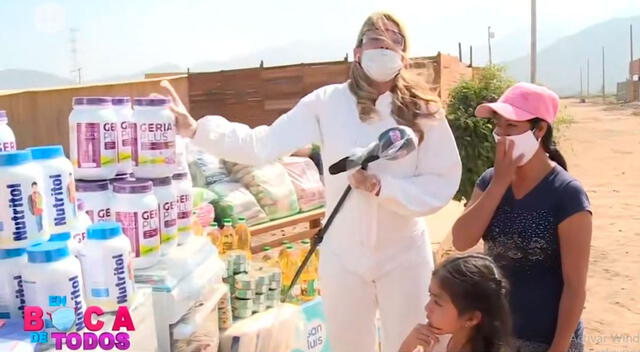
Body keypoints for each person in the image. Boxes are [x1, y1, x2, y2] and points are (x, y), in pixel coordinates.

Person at [161, 11, 461, 352]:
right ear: (358, 51)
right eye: (377, 40)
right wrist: (196, 130)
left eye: (395, 42)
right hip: (343, 259)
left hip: (405, 256)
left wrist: (383, 188)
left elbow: (443, 179)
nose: (386, 48)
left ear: (404, 56)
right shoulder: (327, 103)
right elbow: (264, 144)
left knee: (416, 345)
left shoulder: (424, 110)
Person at [451, 82, 592, 352]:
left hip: (546, 339)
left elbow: (575, 287)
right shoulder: (489, 181)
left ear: (539, 130)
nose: (502, 135)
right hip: (496, 334)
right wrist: (499, 184)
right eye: (498, 126)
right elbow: (461, 239)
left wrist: (559, 347)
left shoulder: (567, 194)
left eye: (512, 127)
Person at [399, 254, 512, 352]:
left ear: (471, 318)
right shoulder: (433, 341)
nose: (427, 308)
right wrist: (406, 348)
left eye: (437, 303)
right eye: (430, 296)